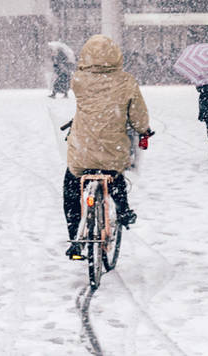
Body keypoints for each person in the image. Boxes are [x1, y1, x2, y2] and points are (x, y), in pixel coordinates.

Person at [63, 35, 152, 260]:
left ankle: (75, 238)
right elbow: (138, 116)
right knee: (114, 173)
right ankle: (123, 211)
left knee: (71, 187)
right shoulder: (126, 81)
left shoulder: (79, 80)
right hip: (113, 149)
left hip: (83, 149)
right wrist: (143, 130)